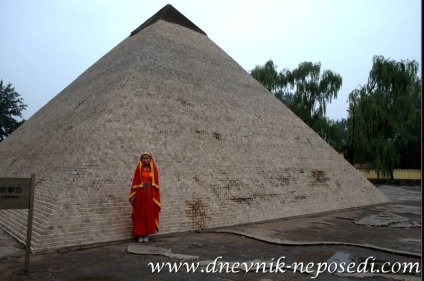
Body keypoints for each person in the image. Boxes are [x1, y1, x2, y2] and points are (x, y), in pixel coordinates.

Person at [129, 152, 161, 242]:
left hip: (149, 194)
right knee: (140, 213)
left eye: (147, 158)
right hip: (140, 193)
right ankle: (140, 234)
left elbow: (156, 184)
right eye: (144, 158)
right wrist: (134, 195)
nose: (146, 160)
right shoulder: (139, 169)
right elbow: (135, 182)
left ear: (150, 159)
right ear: (141, 159)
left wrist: (154, 195)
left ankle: (146, 234)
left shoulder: (153, 170)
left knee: (148, 213)